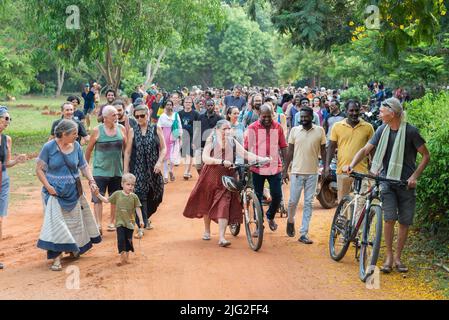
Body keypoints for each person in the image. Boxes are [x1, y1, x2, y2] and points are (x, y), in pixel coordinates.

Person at [348, 97, 430, 274]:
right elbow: (365, 150)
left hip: (405, 184)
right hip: (387, 181)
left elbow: (425, 156)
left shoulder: (411, 132)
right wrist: (351, 164)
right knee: (389, 218)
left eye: (382, 110)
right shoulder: (381, 130)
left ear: (392, 113)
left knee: (404, 222)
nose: (379, 113)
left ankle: (399, 257)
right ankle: (389, 256)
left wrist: (415, 176)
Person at [183, 120, 269, 247]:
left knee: (224, 202)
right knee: (207, 202)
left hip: (227, 177)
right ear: (217, 130)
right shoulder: (211, 139)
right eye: (224, 129)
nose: (227, 131)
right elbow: (205, 158)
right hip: (211, 176)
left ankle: (222, 237)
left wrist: (262, 159)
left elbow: (245, 154)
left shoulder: (232, 141)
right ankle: (207, 230)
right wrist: (221, 161)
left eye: (229, 128)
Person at [36, 119, 101, 271]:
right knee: (56, 225)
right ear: (64, 134)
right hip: (54, 194)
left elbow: (83, 166)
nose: (77, 136)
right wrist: (48, 186)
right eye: (74, 133)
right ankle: (56, 259)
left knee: (73, 223)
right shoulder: (49, 147)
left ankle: (73, 247)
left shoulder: (77, 146)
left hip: (73, 191)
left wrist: (91, 181)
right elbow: (39, 170)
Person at [283, 107, 326, 244]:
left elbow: (324, 151)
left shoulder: (320, 131)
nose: (303, 119)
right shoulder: (295, 131)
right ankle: (290, 220)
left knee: (309, 203)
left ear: (312, 117)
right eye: (301, 117)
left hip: (313, 173)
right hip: (296, 172)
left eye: (305, 117)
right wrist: (285, 170)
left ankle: (304, 233)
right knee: (292, 202)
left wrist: (324, 168)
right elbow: (289, 151)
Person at [244, 104, 288, 231]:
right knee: (257, 197)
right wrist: (247, 165)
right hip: (257, 167)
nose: (267, 119)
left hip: (275, 167)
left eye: (270, 116)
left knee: (277, 195)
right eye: (264, 116)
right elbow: (246, 149)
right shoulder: (252, 128)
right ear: (259, 115)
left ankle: (270, 216)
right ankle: (259, 225)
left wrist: (285, 168)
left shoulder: (277, 127)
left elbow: (284, 146)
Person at [85, 105, 126, 235]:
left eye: (117, 114)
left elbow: (126, 150)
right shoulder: (97, 131)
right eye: (113, 115)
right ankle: (98, 224)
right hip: (100, 170)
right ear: (106, 117)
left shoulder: (122, 129)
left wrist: (126, 167)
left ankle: (112, 222)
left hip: (117, 170)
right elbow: (89, 150)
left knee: (114, 197)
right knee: (97, 197)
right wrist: (85, 168)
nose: (117, 116)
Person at [124, 105, 166, 232]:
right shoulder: (132, 130)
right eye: (136, 116)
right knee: (140, 195)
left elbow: (163, 148)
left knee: (156, 195)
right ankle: (142, 223)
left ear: (148, 115)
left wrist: (159, 162)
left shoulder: (156, 128)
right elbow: (127, 152)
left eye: (142, 115)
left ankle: (146, 217)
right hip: (138, 168)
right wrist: (126, 171)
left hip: (154, 168)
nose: (139, 118)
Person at [325, 100, 374, 202]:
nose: (354, 113)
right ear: (346, 111)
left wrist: (374, 168)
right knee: (343, 204)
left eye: (357, 110)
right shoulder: (337, 126)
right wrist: (326, 166)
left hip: (362, 172)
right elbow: (331, 147)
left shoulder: (368, 127)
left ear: (360, 111)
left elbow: (372, 149)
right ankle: (344, 218)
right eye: (351, 110)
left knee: (361, 203)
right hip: (343, 170)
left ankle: (356, 219)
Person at [94, 173, 144, 266]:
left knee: (128, 240)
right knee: (121, 240)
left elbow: (138, 208)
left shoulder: (134, 197)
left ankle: (127, 258)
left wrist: (141, 220)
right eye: (128, 184)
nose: (130, 187)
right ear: (122, 184)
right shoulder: (117, 194)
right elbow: (106, 200)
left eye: (132, 185)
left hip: (130, 223)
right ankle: (122, 258)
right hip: (120, 223)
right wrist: (98, 194)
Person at [0, 106, 27, 246]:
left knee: (0, 219)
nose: (8, 121)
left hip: (3, 180)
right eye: (5, 118)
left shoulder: (7, 139)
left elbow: (6, 163)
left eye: (9, 119)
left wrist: (16, 161)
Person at [193, 99, 223, 174]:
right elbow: (196, 129)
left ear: (214, 106)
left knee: (210, 166)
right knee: (198, 165)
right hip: (200, 145)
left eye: (211, 105)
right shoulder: (200, 117)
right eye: (208, 105)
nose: (210, 107)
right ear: (205, 106)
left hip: (213, 146)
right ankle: (201, 177)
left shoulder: (219, 118)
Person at [157, 100, 182, 183]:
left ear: (172, 106)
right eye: (167, 104)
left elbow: (179, 125)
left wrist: (180, 136)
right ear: (165, 106)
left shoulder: (176, 115)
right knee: (165, 157)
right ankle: (165, 176)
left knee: (173, 157)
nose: (169, 106)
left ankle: (170, 170)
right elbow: (158, 127)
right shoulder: (162, 116)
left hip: (174, 135)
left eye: (170, 105)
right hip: (165, 136)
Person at [178, 96, 200, 179]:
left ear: (192, 104)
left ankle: (186, 172)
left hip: (192, 136)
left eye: (189, 102)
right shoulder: (179, 114)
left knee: (189, 154)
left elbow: (198, 127)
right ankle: (188, 171)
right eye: (186, 102)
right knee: (184, 154)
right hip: (182, 136)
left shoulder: (196, 114)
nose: (188, 104)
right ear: (183, 103)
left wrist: (195, 140)